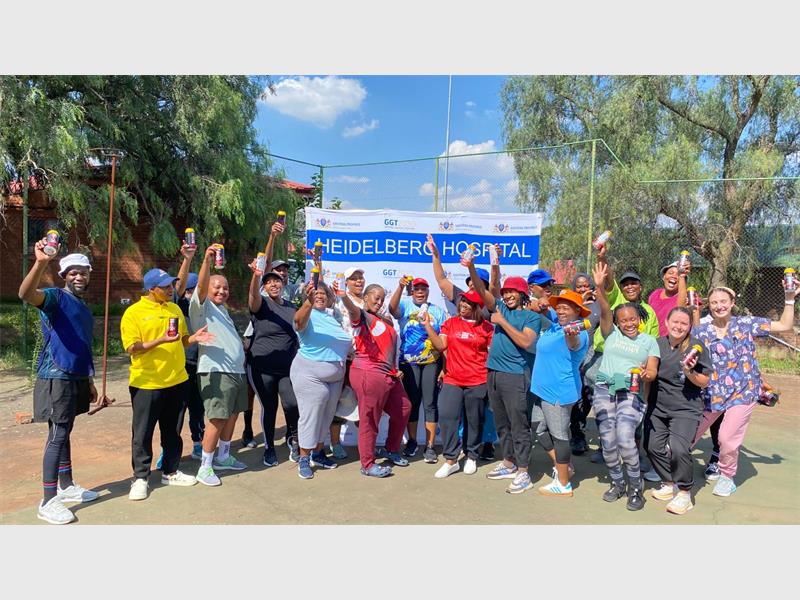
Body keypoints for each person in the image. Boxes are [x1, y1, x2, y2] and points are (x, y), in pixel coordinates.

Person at [19, 243, 103, 524]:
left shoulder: (82, 307)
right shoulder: (55, 298)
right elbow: (26, 294)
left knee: (65, 431)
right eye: (73, 273)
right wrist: (40, 262)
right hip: (56, 376)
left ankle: (66, 486)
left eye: (84, 273)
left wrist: (88, 381)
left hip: (76, 376)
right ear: (64, 275)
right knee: (57, 435)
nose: (79, 277)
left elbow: (82, 346)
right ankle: (47, 499)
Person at [690, 283, 798, 496]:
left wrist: (789, 297)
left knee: (727, 439)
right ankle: (671, 471)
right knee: (688, 434)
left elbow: (785, 325)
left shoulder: (747, 323)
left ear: (732, 303)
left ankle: (726, 477)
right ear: (708, 306)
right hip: (712, 393)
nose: (719, 306)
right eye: (714, 302)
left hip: (744, 392)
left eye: (723, 301)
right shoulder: (702, 329)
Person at [121, 268, 214, 501]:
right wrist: (160, 340)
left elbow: (182, 340)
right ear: (151, 289)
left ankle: (170, 471)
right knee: (142, 433)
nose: (170, 289)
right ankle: (140, 477)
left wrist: (194, 338)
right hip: (147, 382)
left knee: (172, 430)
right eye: (165, 287)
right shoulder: (134, 312)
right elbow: (132, 347)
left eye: (171, 285)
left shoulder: (174, 309)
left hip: (177, 380)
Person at [466, 259, 542, 494]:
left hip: (516, 376)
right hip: (494, 374)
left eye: (513, 292)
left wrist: (501, 322)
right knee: (501, 423)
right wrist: (470, 266)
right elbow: (481, 290)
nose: (508, 295)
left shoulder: (531, 317)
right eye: (506, 291)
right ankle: (508, 462)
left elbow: (527, 342)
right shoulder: (498, 306)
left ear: (522, 294)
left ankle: (523, 471)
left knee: (518, 425)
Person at [591, 261, 660, 511]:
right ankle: (617, 483)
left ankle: (635, 488)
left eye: (633, 319)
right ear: (617, 322)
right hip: (603, 389)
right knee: (608, 442)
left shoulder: (649, 341)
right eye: (624, 320)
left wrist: (646, 374)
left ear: (639, 320)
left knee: (625, 439)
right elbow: (605, 309)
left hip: (631, 391)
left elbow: (652, 370)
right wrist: (599, 287)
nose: (629, 323)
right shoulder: (611, 333)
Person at [426, 233, 497, 460]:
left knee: (477, 416)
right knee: (451, 414)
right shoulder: (459, 300)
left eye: (477, 283)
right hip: (454, 371)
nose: (472, 287)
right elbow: (441, 280)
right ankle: (454, 454)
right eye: (469, 284)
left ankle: (480, 448)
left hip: (477, 374)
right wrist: (436, 256)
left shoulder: (487, 306)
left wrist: (494, 262)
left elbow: (495, 285)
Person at [189, 245, 249, 486]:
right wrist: (206, 261)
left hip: (235, 371)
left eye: (225, 288)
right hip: (216, 371)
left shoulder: (222, 310)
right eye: (217, 287)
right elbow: (201, 287)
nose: (222, 291)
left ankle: (223, 456)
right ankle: (205, 466)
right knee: (217, 418)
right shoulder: (202, 307)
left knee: (232, 416)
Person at [338, 282, 412, 478]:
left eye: (381, 298)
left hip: (388, 374)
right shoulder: (363, 316)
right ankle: (367, 464)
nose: (379, 302)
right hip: (368, 373)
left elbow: (386, 350)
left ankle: (391, 449)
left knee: (403, 408)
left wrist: (394, 370)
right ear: (365, 298)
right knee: (370, 418)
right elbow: (353, 311)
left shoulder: (384, 320)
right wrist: (344, 296)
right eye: (375, 298)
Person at [644, 306, 712, 514]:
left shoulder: (696, 347)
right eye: (676, 322)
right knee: (651, 446)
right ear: (667, 322)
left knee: (678, 448)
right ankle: (669, 482)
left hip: (686, 408)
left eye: (684, 323)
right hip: (658, 406)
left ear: (690, 326)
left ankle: (684, 493)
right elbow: (650, 375)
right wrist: (647, 402)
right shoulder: (657, 344)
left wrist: (689, 371)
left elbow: (704, 381)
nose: (679, 326)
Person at [421, 289, 493, 479]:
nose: (463, 305)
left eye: (468, 303)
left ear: (478, 307)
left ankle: (471, 456)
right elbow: (441, 345)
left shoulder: (487, 327)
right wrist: (428, 326)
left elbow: (492, 355)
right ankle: (451, 459)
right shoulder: (450, 323)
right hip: (453, 378)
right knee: (447, 417)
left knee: (474, 420)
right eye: (462, 302)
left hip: (477, 380)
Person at [247, 221, 301, 467]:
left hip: (287, 367)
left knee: (291, 403)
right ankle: (269, 446)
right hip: (262, 367)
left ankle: (293, 439)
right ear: (265, 286)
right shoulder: (261, 304)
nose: (274, 283)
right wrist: (270, 237)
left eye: (277, 280)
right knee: (269, 408)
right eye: (269, 281)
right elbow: (253, 293)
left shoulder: (291, 307)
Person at [529, 289, 590, 497]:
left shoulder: (577, 332)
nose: (562, 311)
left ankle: (563, 484)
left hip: (559, 391)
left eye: (566, 307)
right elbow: (541, 305)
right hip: (541, 389)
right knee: (537, 428)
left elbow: (574, 345)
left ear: (577, 311)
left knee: (559, 436)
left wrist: (571, 336)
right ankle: (564, 466)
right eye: (560, 307)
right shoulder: (555, 327)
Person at [291, 280, 351, 479]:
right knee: (310, 417)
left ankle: (318, 453)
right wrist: (307, 303)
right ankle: (303, 458)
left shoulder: (332, 316)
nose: (320, 295)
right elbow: (298, 323)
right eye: (315, 293)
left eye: (323, 293)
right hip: (309, 373)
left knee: (325, 417)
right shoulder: (308, 313)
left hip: (335, 377)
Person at [155, 243, 204, 469]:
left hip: (198, 364)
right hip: (180, 366)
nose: (192, 292)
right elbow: (179, 285)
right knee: (176, 412)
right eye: (190, 289)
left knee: (198, 407)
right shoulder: (176, 304)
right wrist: (187, 260)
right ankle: (167, 451)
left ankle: (198, 442)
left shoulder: (202, 307)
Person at [388, 275, 446, 464]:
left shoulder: (437, 311)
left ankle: (430, 446)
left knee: (430, 404)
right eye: (416, 289)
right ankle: (412, 441)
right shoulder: (405, 305)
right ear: (411, 291)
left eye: (423, 289)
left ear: (428, 291)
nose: (420, 292)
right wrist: (399, 287)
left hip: (431, 362)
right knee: (412, 403)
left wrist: (445, 368)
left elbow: (444, 342)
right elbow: (392, 309)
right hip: (409, 363)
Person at [568, 272, 600, 455]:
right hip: (572, 353)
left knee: (588, 396)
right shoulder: (571, 305)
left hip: (591, 355)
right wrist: (579, 301)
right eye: (578, 286)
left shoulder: (597, 306)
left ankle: (582, 429)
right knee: (576, 397)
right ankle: (577, 436)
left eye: (585, 285)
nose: (582, 289)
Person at [648, 260, 689, 336]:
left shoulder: (687, 296)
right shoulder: (655, 294)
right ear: (664, 277)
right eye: (670, 273)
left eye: (678, 275)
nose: (674, 276)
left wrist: (682, 275)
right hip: (652, 339)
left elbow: (681, 308)